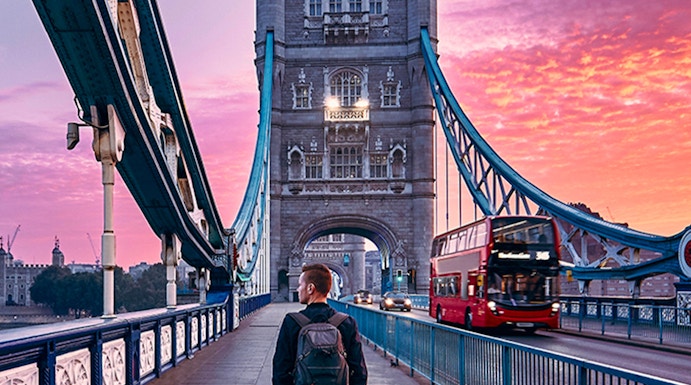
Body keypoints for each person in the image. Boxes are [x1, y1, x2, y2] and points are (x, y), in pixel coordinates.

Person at [272, 263, 367, 385]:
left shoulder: (292, 322)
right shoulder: (347, 323)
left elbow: (280, 371)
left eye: (300, 285)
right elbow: (359, 371)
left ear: (310, 288)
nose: (297, 289)